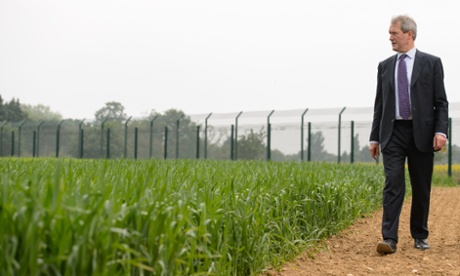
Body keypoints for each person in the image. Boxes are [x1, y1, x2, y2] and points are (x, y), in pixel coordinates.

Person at [369, 15, 449, 255]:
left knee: (421, 186)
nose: (390, 37)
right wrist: (374, 138)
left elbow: (440, 102)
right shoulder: (384, 66)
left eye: (394, 33)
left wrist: (440, 131)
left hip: (422, 133)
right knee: (393, 183)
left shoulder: (432, 63)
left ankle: (420, 235)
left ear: (409, 34)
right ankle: (389, 239)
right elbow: (379, 104)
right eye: (390, 33)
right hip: (392, 133)